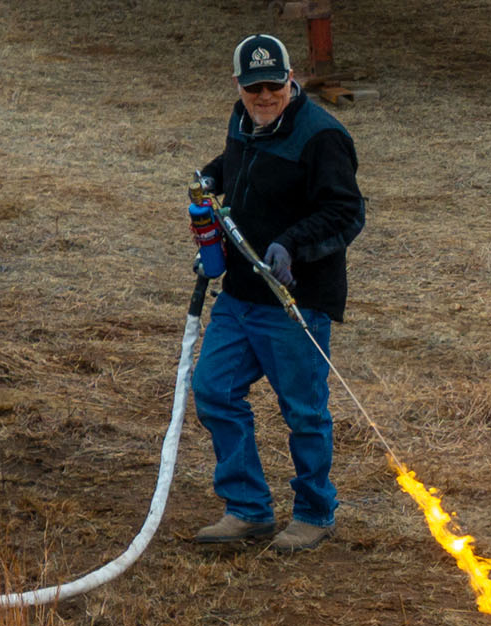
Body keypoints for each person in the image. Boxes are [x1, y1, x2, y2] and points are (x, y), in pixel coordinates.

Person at [189, 34, 365, 553]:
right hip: (240, 293)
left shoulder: (323, 138)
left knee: (304, 412)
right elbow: (237, 167)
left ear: (292, 79)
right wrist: (210, 177)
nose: (263, 97)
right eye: (252, 88)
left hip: (296, 303)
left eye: (273, 85)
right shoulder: (241, 120)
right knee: (213, 390)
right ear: (239, 87)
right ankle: (248, 508)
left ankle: (315, 512)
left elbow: (346, 212)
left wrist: (292, 247)